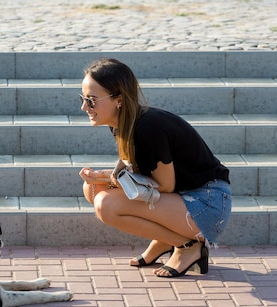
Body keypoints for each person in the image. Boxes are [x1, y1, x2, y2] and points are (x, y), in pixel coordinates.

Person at [78, 58, 232, 277]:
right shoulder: (123, 123)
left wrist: (109, 178)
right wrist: (101, 177)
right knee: (92, 189)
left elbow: (164, 186)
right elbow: (138, 175)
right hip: (185, 199)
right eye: (83, 98)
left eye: (91, 100)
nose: (84, 107)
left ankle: (187, 247)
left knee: (106, 204)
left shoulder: (148, 127)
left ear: (118, 99)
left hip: (208, 204)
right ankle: (165, 241)